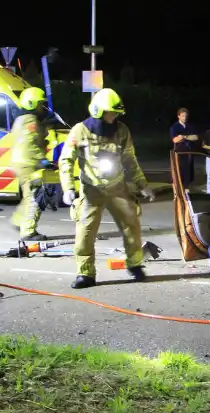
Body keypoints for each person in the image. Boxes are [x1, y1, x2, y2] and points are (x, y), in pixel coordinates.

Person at [59, 89, 156, 289]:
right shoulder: (80, 130)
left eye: (116, 114)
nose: (114, 117)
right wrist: (68, 187)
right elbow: (66, 159)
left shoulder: (122, 131)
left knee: (132, 226)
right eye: (111, 113)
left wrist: (142, 185)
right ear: (98, 111)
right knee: (85, 233)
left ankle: (135, 265)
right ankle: (85, 274)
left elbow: (130, 159)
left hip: (117, 187)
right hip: (91, 190)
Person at [9, 87, 53, 241]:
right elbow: (31, 143)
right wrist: (43, 160)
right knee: (35, 195)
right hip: (28, 163)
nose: (44, 108)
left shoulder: (22, 119)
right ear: (32, 103)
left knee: (28, 195)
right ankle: (28, 231)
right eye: (41, 104)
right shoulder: (30, 120)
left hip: (21, 162)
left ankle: (18, 220)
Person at [170, 108, 199, 187]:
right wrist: (188, 137)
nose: (185, 118)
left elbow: (196, 137)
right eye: (183, 116)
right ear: (178, 116)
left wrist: (184, 136)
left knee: (188, 175)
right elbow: (175, 140)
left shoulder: (190, 126)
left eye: (186, 116)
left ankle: (187, 192)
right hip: (179, 154)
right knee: (178, 174)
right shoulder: (174, 127)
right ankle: (177, 193)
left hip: (189, 153)